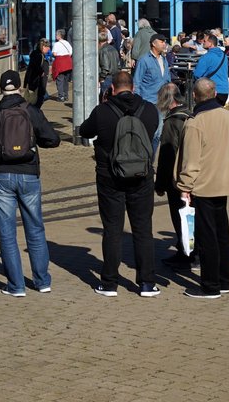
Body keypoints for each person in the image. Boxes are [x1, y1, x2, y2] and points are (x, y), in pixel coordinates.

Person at [78, 70, 162, 298]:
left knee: (112, 229)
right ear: (133, 88)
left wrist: (103, 105)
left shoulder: (102, 111)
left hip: (110, 177)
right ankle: (147, 283)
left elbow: (83, 132)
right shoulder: (150, 110)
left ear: (112, 89)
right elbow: (153, 133)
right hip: (142, 177)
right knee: (143, 229)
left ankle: (109, 283)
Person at [0, 70, 61, 296]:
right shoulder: (31, 111)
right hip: (29, 174)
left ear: (1, 89)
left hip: (2, 176)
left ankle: (16, 286)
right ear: (19, 87)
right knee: (35, 229)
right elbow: (53, 140)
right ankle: (42, 281)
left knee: (7, 233)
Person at [176, 78, 229, 299]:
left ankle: (210, 286)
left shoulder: (195, 123)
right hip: (225, 183)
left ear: (194, 96)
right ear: (214, 93)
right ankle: (223, 280)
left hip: (203, 186)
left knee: (207, 237)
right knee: (221, 234)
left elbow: (190, 162)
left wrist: (185, 187)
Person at [154, 82, 193, 267]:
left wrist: (160, 184)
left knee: (180, 218)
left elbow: (167, 155)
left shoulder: (172, 121)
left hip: (176, 179)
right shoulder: (190, 115)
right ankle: (192, 251)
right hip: (192, 176)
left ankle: (186, 254)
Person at [193, 33, 229, 106]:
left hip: (211, 91)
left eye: (205, 41)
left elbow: (197, 75)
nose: (203, 42)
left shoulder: (206, 57)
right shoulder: (224, 56)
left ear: (210, 43)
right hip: (224, 90)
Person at [132, 34, 168, 105]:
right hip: (149, 101)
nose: (164, 44)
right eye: (161, 42)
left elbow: (167, 79)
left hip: (163, 101)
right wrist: (137, 100)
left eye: (165, 42)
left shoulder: (164, 59)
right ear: (154, 44)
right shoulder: (144, 60)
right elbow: (137, 81)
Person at [24, 37, 50, 108]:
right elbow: (36, 68)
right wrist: (41, 72)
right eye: (47, 47)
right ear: (43, 47)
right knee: (36, 103)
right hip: (37, 85)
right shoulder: (39, 56)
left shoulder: (36, 55)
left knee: (34, 103)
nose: (49, 49)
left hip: (33, 84)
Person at [51, 29, 73, 103]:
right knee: (66, 81)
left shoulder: (56, 44)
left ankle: (61, 96)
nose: (55, 36)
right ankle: (66, 95)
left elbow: (54, 54)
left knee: (60, 80)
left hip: (60, 64)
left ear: (59, 36)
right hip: (68, 64)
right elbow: (70, 53)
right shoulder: (67, 43)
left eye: (56, 35)